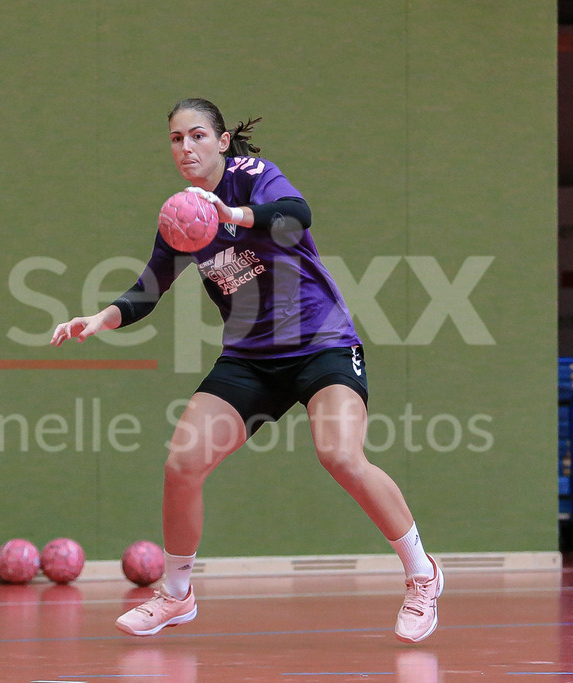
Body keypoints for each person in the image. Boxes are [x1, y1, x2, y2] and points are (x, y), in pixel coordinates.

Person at [51, 97, 443, 643]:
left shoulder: (253, 178)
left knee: (340, 455)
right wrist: (102, 317)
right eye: (175, 139)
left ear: (222, 140)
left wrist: (229, 215)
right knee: (182, 465)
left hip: (320, 344)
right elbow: (148, 288)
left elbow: (297, 215)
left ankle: (422, 575)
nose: (185, 147)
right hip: (251, 357)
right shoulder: (179, 215)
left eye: (196, 136)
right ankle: (177, 595)